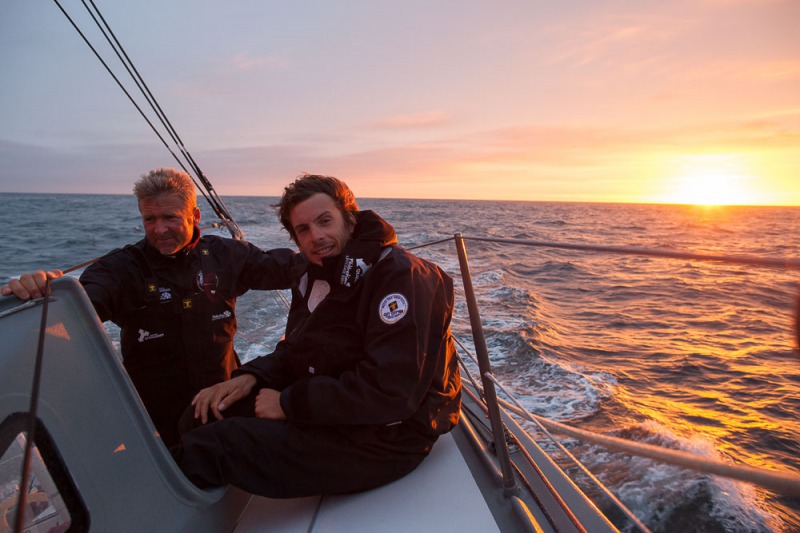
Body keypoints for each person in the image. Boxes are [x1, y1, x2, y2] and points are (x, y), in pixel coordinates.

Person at [173, 174, 461, 498]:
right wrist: (251, 377)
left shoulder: (400, 276)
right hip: (337, 407)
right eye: (304, 229)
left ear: (349, 218)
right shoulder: (315, 273)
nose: (317, 236)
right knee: (201, 414)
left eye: (325, 221)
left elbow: (389, 392)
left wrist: (288, 403)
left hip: (391, 434)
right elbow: (301, 349)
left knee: (211, 447)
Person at [0, 168, 301, 446]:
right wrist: (41, 294)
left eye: (170, 217)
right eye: (149, 219)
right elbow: (76, 306)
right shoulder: (122, 269)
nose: (159, 230)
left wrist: (342, 240)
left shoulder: (226, 256)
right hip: (152, 421)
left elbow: (292, 268)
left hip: (223, 402)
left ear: (195, 215)